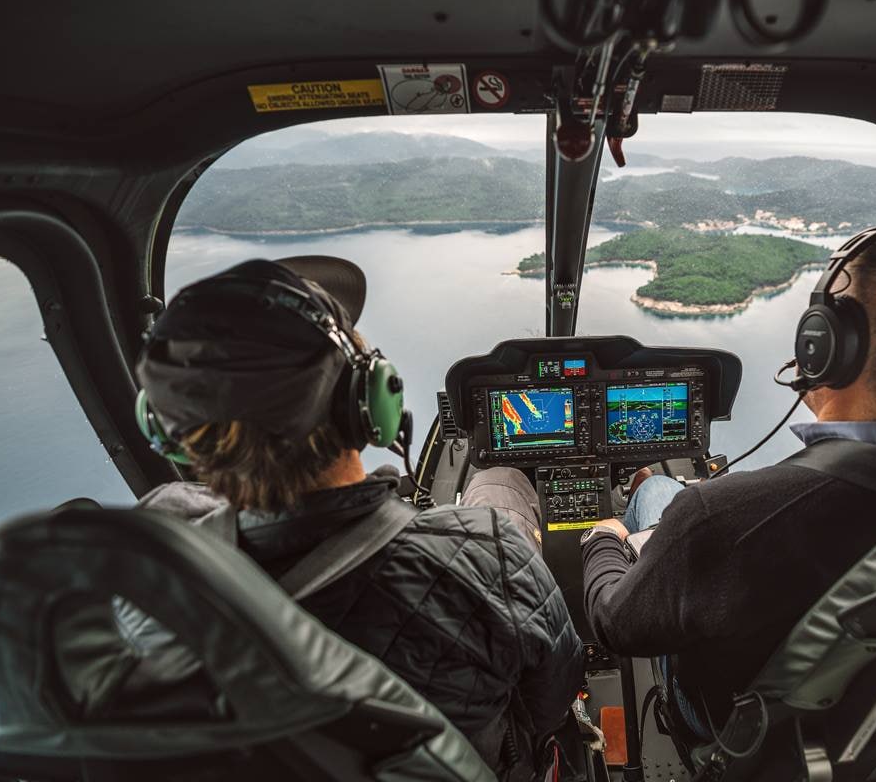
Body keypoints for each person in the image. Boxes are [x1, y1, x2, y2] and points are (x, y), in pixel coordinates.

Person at [131, 256, 582, 777]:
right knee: (498, 481)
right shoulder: (488, 553)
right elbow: (555, 696)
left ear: (174, 436)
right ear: (367, 400)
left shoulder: (147, 564)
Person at [580, 223, 876, 736]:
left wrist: (603, 539)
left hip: (727, 723)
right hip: (874, 735)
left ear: (826, 344)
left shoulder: (719, 519)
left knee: (655, 493)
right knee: (666, 493)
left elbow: (613, 625)